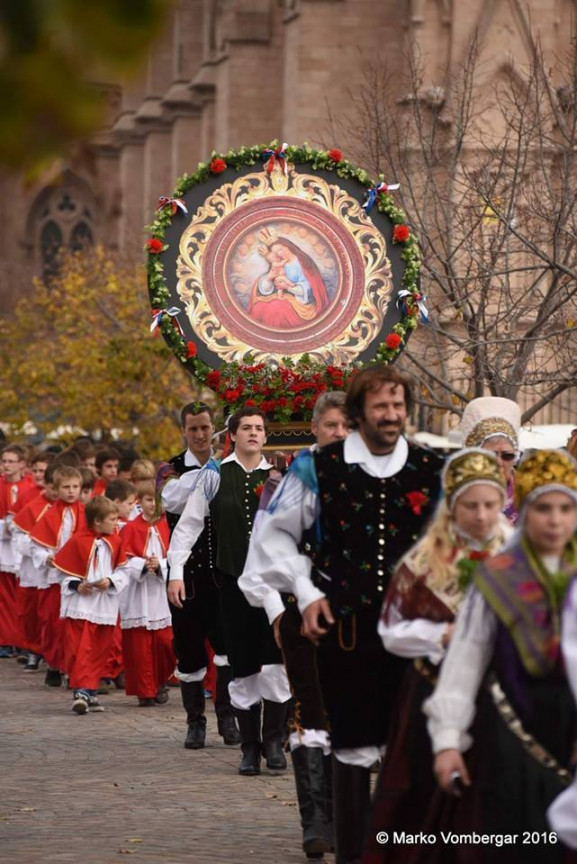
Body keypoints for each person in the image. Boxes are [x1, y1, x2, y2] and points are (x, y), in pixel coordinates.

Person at [241, 366, 444, 862]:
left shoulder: (430, 466)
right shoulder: (316, 467)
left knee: (413, 742)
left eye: (398, 406)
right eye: (380, 407)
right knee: (348, 744)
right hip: (344, 630)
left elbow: (453, 542)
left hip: (413, 629)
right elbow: (272, 537)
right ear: (358, 414)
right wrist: (306, 592)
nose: (392, 416)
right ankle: (350, 849)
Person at [424, 449, 577, 863]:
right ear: (526, 511)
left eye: (566, 507)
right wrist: (449, 739)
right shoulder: (499, 576)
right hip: (513, 740)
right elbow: (466, 659)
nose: (556, 520)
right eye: (544, 508)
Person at [362, 449, 512, 863]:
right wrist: (442, 634)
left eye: (489, 504)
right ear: (452, 506)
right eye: (470, 505)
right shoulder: (424, 561)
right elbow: (391, 631)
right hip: (431, 692)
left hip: (502, 700)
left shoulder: (519, 555)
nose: (481, 516)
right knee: (421, 795)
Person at [240, 390, 349, 858]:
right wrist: (277, 612)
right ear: (315, 428)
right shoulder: (285, 479)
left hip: (354, 624)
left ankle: (346, 818)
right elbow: (259, 559)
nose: (340, 435)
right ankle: (316, 822)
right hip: (300, 620)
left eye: (349, 426)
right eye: (331, 426)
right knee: (311, 714)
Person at [168, 406, 292, 776]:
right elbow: (188, 526)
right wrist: (176, 572)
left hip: (276, 586)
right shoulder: (215, 475)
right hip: (234, 585)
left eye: (259, 428)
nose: (253, 433)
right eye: (246, 428)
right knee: (243, 668)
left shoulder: (280, 476)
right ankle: (250, 747)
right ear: (232, 435)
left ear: (266, 437)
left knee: (276, 665)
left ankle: (274, 741)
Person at [159, 402, 239, 749]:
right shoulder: (170, 469)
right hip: (186, 575)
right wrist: (210, 469)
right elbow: (171, 500)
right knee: (189, 651)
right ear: (184, 432)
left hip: (221, 573)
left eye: (205, 427)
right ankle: (195, 722)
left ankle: (228, 717)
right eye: (193, 429)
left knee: (228, 648)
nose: (200, 434)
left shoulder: (230, 466)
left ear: (214, 428)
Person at [53, 496, 129, 715]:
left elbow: (124, 571)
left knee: (100, 649)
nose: (116, 523)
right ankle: (80, 691)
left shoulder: (115, 541)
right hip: (82, 606)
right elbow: (62, 573)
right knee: (81, 648)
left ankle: (90, 689)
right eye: (112, 519)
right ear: (97, 521)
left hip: (104, 605)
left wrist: (111, 581)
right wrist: (77, 585)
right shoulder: (77, 541)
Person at [119, 480, 175, 707]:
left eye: (157, 500)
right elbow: (122, 560)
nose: (154, 504)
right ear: (139, 502)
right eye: (149, 500)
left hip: (162, 593)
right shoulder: (130, 528)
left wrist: (160, 564)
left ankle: (161, 680)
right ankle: (145, 691)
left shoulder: (169, 525)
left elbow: (178, 555)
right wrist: (142, 565)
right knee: (140, 646)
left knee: (165, 642)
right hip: (139, 593)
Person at [30, 465, 86, 686]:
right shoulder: (49, 514)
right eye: (66, 487)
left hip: (77, 575)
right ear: (56, 489)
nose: (71, 491)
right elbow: (35, 545)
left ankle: (72, 668)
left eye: (75, 487)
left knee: (73, 625)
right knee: (52, 622)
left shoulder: (86, 513)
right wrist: (46, 557)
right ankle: (54, 663)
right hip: (54, 577)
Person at [11, 462, 58, 671]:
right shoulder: (33, 507)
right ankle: (32, 650)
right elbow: (18, 539)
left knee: (51, 615)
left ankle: (52, 653)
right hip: (34, 569)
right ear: (46, 485)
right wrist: (36, 548)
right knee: (31, 613)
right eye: (55, 487)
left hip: (57, 571)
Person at [457, 397, 521, 522]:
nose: (498, 462)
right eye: (490, 456)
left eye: (507, 456)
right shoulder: (456, 493)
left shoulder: (529, 492)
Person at [248, 234, 330, 328]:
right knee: (258, 307)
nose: (279, 254)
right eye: (276, 252)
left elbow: (308, 289)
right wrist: (268, 278)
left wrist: (287, 287)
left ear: (288, 246)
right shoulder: (280, 263)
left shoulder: (302, 262)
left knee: (276, 308)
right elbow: (272, 283)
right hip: (284, 297)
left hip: (302, 303)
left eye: (280, 249)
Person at [0, 444, 35, 656]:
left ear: (22, 464)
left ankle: (22, 640)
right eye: (4, 461)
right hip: (3, 546)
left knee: (21, 597)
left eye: (11, 461)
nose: (6, 465)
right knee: (4, 596)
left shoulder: (29, 487)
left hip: (24, 547)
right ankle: (5, 639)